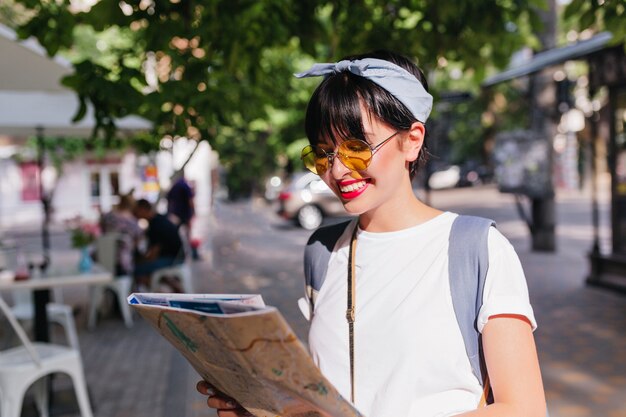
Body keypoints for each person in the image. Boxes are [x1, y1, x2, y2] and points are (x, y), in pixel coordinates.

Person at [197, 50, 546, 417]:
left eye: (356, 148)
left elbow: (524, 408)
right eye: (323, 154)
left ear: (411, 140)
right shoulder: (321, 251)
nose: (339, 170)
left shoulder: (477, 248)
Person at [133, 198, 184, 292]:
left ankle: (151, 295)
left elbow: (154, 253)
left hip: (172, 259)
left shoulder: (156, 224)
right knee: (147, 269)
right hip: (176, 256)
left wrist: (141, 260)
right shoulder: (158, 219)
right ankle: (173, 288)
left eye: (136, 210)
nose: (135, 213)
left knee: (136, 270)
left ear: (143, 209)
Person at [99, 192, 143, 276]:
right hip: (123, 262)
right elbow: (137, 241)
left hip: (103, 258)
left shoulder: (108, 217)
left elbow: (102, 232)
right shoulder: (133, 222)